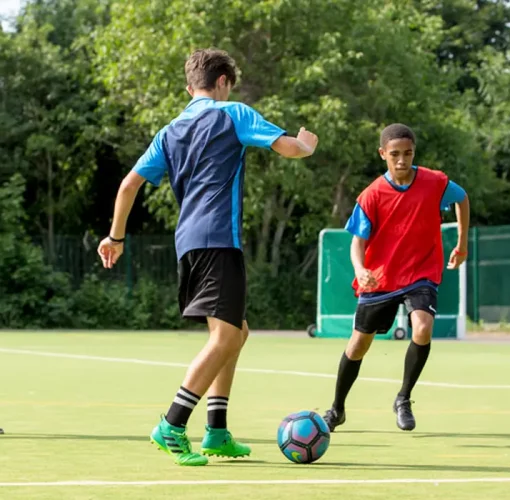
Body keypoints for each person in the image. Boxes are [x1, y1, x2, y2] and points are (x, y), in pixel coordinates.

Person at [97, 48, 318, 466]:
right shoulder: (232, 112)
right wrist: (306, 144)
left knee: (237, 331)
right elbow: (288, 148)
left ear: (188, 87)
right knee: (226, 337)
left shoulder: (169, 130)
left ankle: (216, 431)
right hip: (219, 240)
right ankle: (173, 424)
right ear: (223, 82)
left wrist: (116, 237)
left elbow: (127, 186)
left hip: (189, 243)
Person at [322, 123, 469, 432]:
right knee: (358, 345)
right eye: (394, 155)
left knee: (423, 327)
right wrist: (361, 271)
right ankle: (337, 409)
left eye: (408, 154)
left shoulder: (435, 182)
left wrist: (462, 243)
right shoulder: (372, 195)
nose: (402, 161)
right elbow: (357, 242)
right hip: (380, 277)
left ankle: (403, 397)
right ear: (382, 155)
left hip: (421, 272)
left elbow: (462, 198)